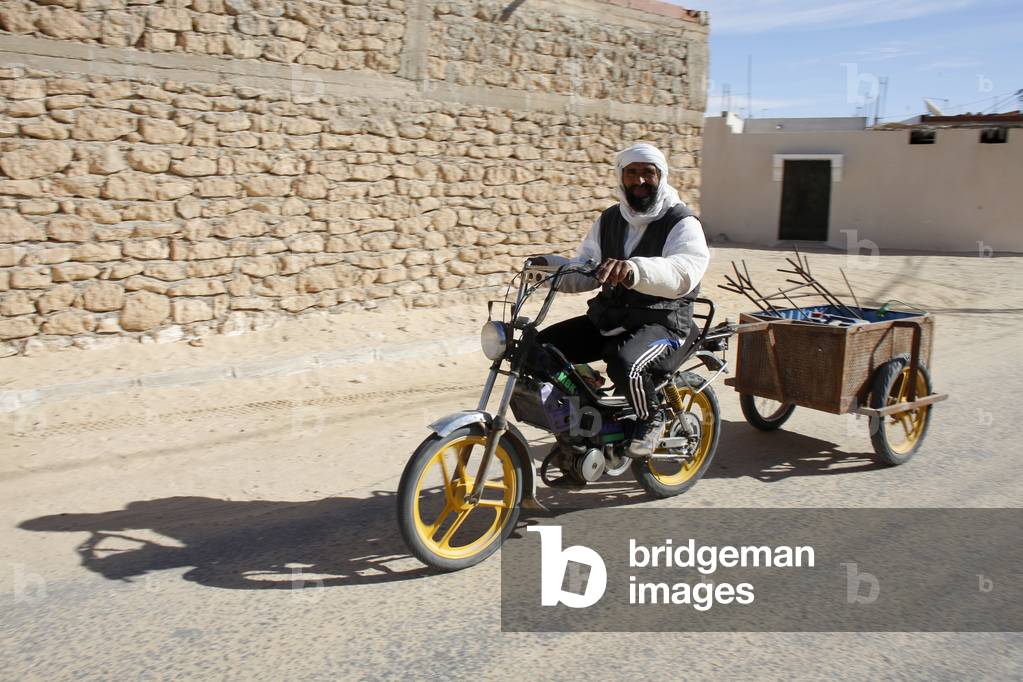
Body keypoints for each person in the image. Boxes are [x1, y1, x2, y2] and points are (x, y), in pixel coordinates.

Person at [536, 142, 710, 457]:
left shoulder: (682, 222)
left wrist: (634, 270)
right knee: (543, 348)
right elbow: (587, 269)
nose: (640, 181)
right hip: (612, 318)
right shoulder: (610, 219)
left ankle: (651, 417)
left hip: (665, 323)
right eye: (632, 173)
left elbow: (683, 272)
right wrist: (548, 270)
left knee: (625, 363)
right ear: (621, 177)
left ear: (662, 176)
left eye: (648, 173)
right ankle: (586, 417)